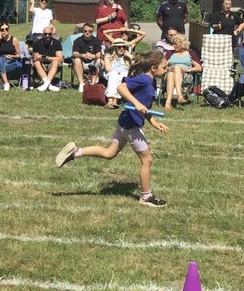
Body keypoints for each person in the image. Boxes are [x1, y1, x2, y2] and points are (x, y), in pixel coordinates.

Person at [54, 51, 171, 207]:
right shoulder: (144, 79)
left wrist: (155, 123)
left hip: (126, 121)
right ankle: (146, 196)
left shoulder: (151, 82)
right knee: (147, 160)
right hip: (131, 125)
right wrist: (136, 103)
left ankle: (75, 152)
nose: (167, 69)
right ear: (154, 68)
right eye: (165, 67)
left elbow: (144, 108)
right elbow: (121, 88)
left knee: (109, 153)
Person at [162, 30, 201, 111]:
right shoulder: (170, 53)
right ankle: (179, 96)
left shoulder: (190, 53)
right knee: (173, 70)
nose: (174, 46)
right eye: (173, 44)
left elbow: (199, 68)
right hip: (170, 75)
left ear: (182, 44)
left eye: (176, 44)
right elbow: (163, 66)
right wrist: (170, 68)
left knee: (175, 69)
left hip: (186, 76)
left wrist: (187, 69)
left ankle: (168, 102)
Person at [29, 23, 63, 92]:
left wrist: (48, 58)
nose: (47, 36)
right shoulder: (37, 43)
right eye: (45, 34)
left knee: (55, 62)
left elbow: (60, 58)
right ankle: (49, 85)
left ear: (52, 34)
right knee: (37, 62)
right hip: (41, 64)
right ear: (42, 34)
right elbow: (35, 58)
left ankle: (45, 85)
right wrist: (41, 58)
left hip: (53, 65)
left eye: (49, 34)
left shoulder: (57, 43)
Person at [101, 42, 132, 109]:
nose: (122, 48)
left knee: (123, 75)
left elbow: (134, 68)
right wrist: (118, 72)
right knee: (114, 74)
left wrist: (131, 57)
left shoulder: (127, 57)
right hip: (111, 74)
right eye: (119, 47)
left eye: (124, 47)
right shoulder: (108, 56)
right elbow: (108, 69)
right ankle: (110, 101)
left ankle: (114, 101)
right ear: (115, 48)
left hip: (124, 74)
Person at [0, 23, 21, 91]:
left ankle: (3, 82)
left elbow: (19, 55)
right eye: (2, 29)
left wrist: (12, 56)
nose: (4, 31)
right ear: (0, 31)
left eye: (6, 29)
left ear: (9, 29)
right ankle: (6, 83)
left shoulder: (14, 40)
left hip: (12, 61)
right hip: (1, 60)